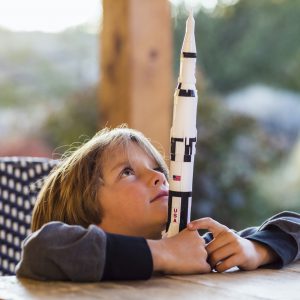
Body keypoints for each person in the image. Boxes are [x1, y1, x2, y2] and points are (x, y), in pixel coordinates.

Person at [16, 126, 300, 281]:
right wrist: (166, 253)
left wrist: (255, 249)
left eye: (157, 168)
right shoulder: (64, 258)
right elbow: (42, 248)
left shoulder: (192, 252)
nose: (158, 177)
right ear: (82, 216)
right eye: (127, 172)